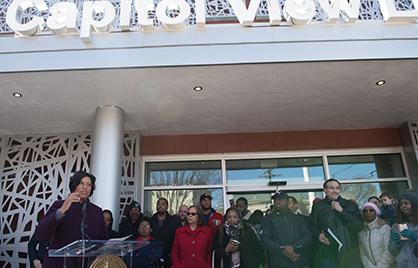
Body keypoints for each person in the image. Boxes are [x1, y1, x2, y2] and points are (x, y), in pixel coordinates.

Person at [36, 171, 107, 268]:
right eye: (82, 183)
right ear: (74, 185)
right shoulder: (59, 205)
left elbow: (102, 240)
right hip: (59, 263)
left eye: (89, 184)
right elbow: (41, 234)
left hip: (86, 264)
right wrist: (61, 211)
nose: (85, 187)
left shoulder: (97, 211)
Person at [309, 178, 363, 268]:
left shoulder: (350, 205)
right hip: (329, 255)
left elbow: (358, 226)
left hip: (350, 254)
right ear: (325, 190)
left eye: (337, 188)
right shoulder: (318, 207)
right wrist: (318, 235)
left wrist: (341, 211)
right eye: (331, 188)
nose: (335, 191)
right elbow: (312, 226)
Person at [262, 190, 312, 268]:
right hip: (278, 262)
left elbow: (308, 237)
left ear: (287, 201)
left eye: (281, 199)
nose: (277, 202)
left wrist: (294, 247)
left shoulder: (297, 218)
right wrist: (283, 250)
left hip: (299, 260)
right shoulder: (268, 219)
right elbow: (265, 240)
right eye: (275, 200)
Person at [358, 202, 394, 268]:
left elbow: (389, 250)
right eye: (365, 211)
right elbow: (363, 254)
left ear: (376, 212)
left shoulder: (384, 228)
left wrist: (380, 266)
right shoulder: (361, 233)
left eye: (371, 210)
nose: (368, 212)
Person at [389, 191, 418, 267]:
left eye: (406, 203)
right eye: (401, 204)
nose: (403, 206)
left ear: (414, 204)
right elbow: (392, 252)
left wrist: (416, 238)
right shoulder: (396, 226)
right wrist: (394, 243)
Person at [151, 197, 182, 267]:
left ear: (167, 206)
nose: (160, 206)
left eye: (163, 204)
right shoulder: (151, 220)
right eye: (158, 204)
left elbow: (179, 238)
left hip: (169, 256)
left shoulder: (174, 220)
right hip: (153, 256)